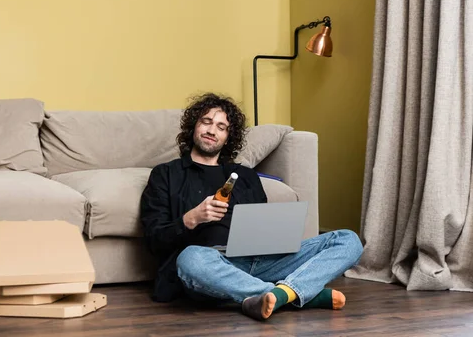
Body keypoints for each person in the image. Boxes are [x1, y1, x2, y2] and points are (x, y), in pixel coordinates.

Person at [140, 92, 363, 321]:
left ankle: (269, 294)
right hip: (212, 265)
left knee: (348, 240)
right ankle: (293, 294)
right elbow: (153, 240)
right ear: (194, 126)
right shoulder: (166, 174)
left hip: (261, 261)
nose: (211, 130)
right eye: (206, 122)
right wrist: (192, 218)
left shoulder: (245, 175)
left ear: (228, 137)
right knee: (190, 259)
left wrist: (277, 235)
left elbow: (263, 225)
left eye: (221, 126)